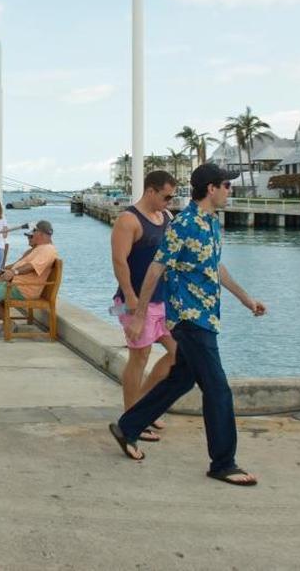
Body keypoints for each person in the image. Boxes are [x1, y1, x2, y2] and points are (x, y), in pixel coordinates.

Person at [110, 164, 268, 487]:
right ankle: (223, 462)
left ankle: (128, 426)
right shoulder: (183, 224)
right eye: (226, 185)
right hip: (188, 318)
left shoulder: (211, 223)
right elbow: (156, 269)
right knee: (218, 390)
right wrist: (139, 314)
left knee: (181, 379)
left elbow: (215, 268)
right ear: (211, 188)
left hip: (206, 316)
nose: (229, 190)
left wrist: (246, 299)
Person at [111, 170, 179, 442]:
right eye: (166, 196)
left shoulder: (166, 218)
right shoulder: (128, 220)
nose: (169, 201)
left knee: (179, 353)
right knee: (139, 356)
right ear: (151, 191)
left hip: (163, 300)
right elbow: (119, 260)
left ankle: (143, 408)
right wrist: (129, 296)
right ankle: (131, 419)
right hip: (135, 301)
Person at [0, 220, 59, 330]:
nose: (32, 235)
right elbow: (22, 264)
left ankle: (9, 323)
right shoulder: (39, 248)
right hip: (16, 284)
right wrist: (7, 271)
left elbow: (31, 266)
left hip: (23, 288)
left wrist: (14, 272)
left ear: (40, 233)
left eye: (34, 232)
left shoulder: (48, 250)